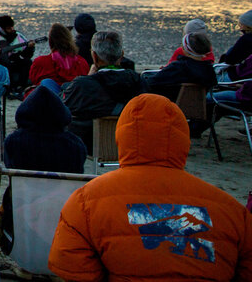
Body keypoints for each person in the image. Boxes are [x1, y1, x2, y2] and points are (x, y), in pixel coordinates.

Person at [48, 93, 252, 282]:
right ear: (183, 140)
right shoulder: (233, 211)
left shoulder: (85, 201)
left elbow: (73, 268)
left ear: (121, 137)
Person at [0, 83, 86, 256]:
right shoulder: (75, 145)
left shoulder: (14, 142)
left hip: (21, 216)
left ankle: (26, 266)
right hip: (64, 217)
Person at [60, 30, 148, 150]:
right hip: (128, 143)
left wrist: (89, 77)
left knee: (49, 85)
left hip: (89, 144)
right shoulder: (138, 81)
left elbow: (61, 107)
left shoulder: (82, 86)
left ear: (94, 57)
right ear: (121, 55)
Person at [147, 31, 218, 105]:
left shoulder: (179, 67)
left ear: (186, 49)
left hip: (169, 104)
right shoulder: (208, 70)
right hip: (195, 106)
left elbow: (152, 83)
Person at [27, 23, 89, 97]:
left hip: (53, 101)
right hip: (75, 99)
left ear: (51, 41)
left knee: (45, 83)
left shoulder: (40, 62)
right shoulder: (81, 62)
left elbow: (33, 79)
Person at [0, 15, 35, 95]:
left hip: (15, 61)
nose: (12, 29)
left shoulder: (19, 36)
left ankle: (21, 86)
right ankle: (8, 88)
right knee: (4, 61)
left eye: (12, 27)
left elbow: (27, 55)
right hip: (0, 63)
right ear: (3, 28)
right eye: (9, 28)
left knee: (27, 62)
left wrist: (30, 48)